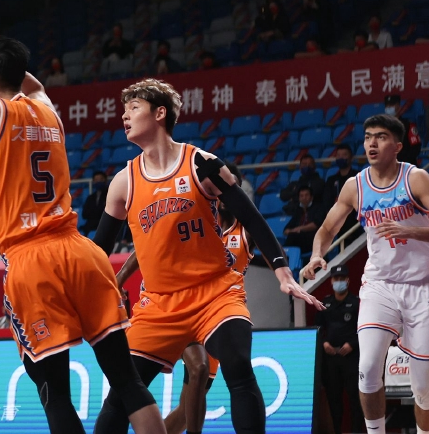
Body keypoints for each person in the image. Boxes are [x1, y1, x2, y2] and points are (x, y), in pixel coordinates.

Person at [0, 27, 165, 434]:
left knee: (55, 394)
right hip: (80, 250)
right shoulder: (46, 108)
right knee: (127, 381)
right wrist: (2, 52)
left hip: (30, 258)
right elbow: (36, 85)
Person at [93, 78, 321, 434]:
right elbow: (98, 251)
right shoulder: (123, 182)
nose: (124, 116)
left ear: (160, 114)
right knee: (121, 397)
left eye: (133, 108)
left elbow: (252, 218)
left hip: (215, 293)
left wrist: (282, 271)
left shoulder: (202, 164)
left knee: (238, 367)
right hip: (159, 304)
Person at [302, 114, 429, 434]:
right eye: (367, 137)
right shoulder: (355, 186)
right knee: (367, 368)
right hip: (380, 285)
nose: (372, 143)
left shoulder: (416, 179)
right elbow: (327, 229)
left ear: (398, 146)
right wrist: (317, 253)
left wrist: (410, 231)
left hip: (423, 285)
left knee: (422, 386)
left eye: (380, 137)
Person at [115, 166, 253, 434]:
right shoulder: (192, 213)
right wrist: (118, 280)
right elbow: (146, 246)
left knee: (188, 405)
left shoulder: (246, 230)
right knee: (198, 367)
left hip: (216, 312)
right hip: (177, 303)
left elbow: (275, 250)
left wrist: (289, 273)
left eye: (230, 187)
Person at [316, 264, 363, 434]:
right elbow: (318, 328)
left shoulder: (357, 303)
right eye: (336, 278)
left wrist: (352, 344)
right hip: (331, 359)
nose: (339, 281)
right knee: (334, 399)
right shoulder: (325, 303)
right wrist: (324, 344)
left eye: (342, 278)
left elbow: (364, 329)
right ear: (331, 281)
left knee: (355, 398)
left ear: (348, 280)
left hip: (351, 357)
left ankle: (356, 431)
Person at [324, 144, 360, 234]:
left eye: (344, 155)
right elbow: (327, 201)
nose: (341, 158)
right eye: (338, 155)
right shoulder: (331, 180)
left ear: (351, 158)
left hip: (354, 219)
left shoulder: (358, 177)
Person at [283, 186, 325, 254]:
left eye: (306, 195)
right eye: (301, 196)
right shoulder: (298, 210)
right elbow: (286, 229)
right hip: (298, 239)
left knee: (292, 237)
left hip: (313, 240)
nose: (304, 198)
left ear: (311, 197)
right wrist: (290, 231)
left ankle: (282, 256)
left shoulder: (319, 208)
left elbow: (315, 225)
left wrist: (299, 229)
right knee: (291, 237)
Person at [385, 94, 422, 165]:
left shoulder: (408, 125)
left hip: (407, 166)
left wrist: (403, 161)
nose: (389, 107)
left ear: (399, 107)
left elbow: (416, 147)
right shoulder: (383, 127)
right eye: (387, 105)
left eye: (392, 105)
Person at [81, 171, 109, 236]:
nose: (98, 181)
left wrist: (94, 211)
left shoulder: (110, 195)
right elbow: (84, 214)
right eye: (96, 180)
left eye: (101, 179)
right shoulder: (90, 198)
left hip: (105, 223)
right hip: (91, 224)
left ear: (105, 180)